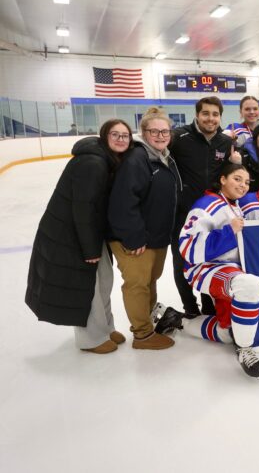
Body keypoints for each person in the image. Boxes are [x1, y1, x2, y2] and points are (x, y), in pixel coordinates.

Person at [25, 120, 133, 354]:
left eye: (125, 135)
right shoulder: (92, 164)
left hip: (90, 233)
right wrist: (90, 249)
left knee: (104, 281)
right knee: (90, 287)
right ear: (104, 136)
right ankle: (91, 339)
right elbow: (83, 210)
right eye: (115, 134)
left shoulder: (105, 159)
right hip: (73, 236)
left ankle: (105, 328)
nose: (121, 139)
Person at [156, 163, 259, 379]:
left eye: (246, 182)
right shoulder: (207, 204)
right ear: (223, 179)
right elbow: (187, 247)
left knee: (227, 333)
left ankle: (178, 320)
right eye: (237, 179)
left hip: (229, 270)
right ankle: (245, 349)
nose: (243, 185)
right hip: (205, 269)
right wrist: (229, 232)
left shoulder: (234, 206)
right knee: (249, 285)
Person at [108, 107, 179, 350]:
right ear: (143, 132)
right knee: (138, 285)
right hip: (137, 239)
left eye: (165, 131)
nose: (160, 135)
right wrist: (134, 238)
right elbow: (123, 203)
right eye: (154, 131)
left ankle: (147, 322)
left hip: (155, 236)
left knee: (150, 281)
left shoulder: (162, 155)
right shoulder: (137, 159)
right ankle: (142, 335)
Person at [170, 96, 238, 318]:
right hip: (183, 212)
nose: (210, 118)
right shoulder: (180, 137)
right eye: (206, 113)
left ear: (220, 117)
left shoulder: (226, 143)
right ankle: (190, 308)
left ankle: (209, 307)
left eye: (215, 114)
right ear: (197, 114)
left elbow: (230, 177)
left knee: (209, 258)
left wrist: (237, 162)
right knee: (182, 261)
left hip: (212, 214)